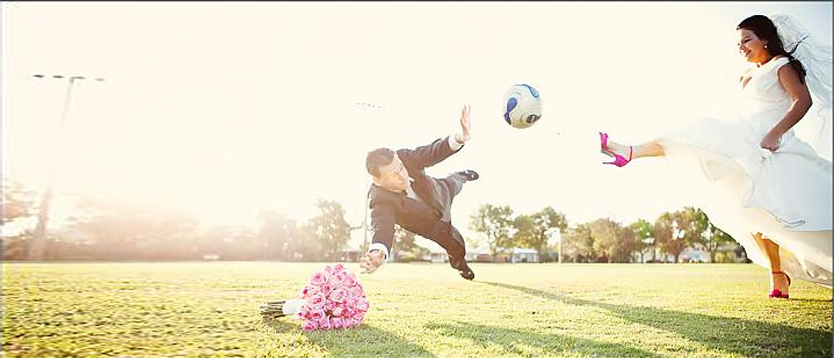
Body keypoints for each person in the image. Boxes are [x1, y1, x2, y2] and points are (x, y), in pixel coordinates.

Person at [599, 14, 832, 298]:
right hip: (745, 141)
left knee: (800, 216)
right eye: (738, 42)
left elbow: (802, 101)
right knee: (751, 211)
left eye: (747, 39)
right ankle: (777, 273)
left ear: (766, 39)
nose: (741, 47)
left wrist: (775, 134)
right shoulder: (745, 75)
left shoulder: (781, 66)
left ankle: (630, 152)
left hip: (771, 146)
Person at [360, 105, 479, 280]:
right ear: (378, 180)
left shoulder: (404, 157)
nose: (403, 175)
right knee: (457, 246)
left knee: (455, 182)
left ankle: (462, 175)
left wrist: (459, 139)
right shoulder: (380, 199)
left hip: (438, 191)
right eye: (394, 175)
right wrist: (379, 250)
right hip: (432, 225)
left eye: (400, 168)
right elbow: (382, 225)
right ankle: (461, 266)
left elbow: (431, 152)